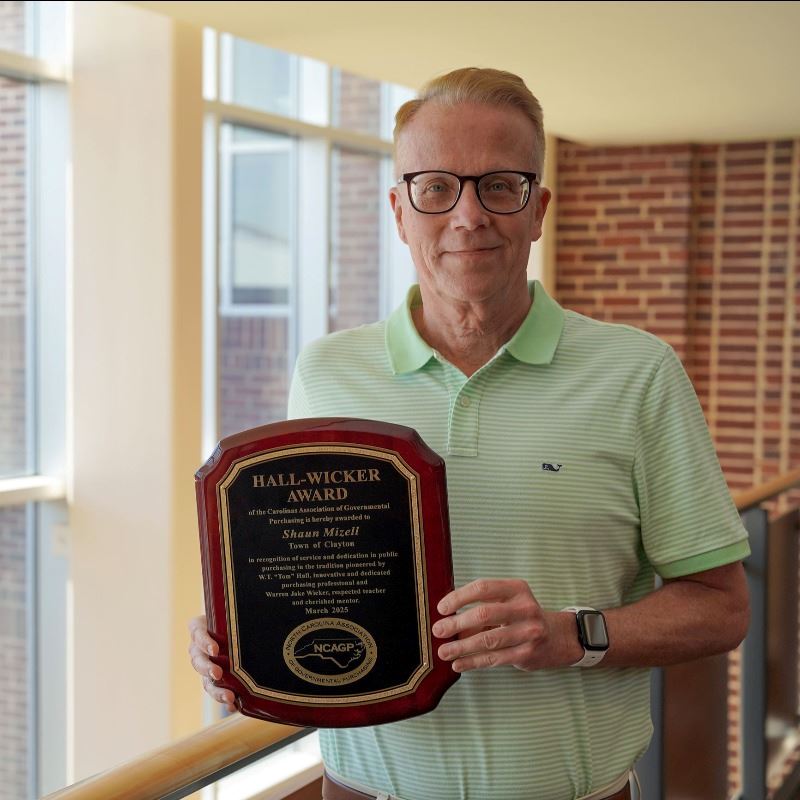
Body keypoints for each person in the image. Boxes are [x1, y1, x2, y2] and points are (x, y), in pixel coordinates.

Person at [189, 67, 750, 800]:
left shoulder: (637, 374)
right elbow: (314, 568)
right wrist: (243, 628)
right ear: (398, 209)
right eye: (435, 188)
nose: (468, 216)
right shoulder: (326, 373)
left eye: (500, 185)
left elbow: (722, 605)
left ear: (539, 206)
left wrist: (569, 636)